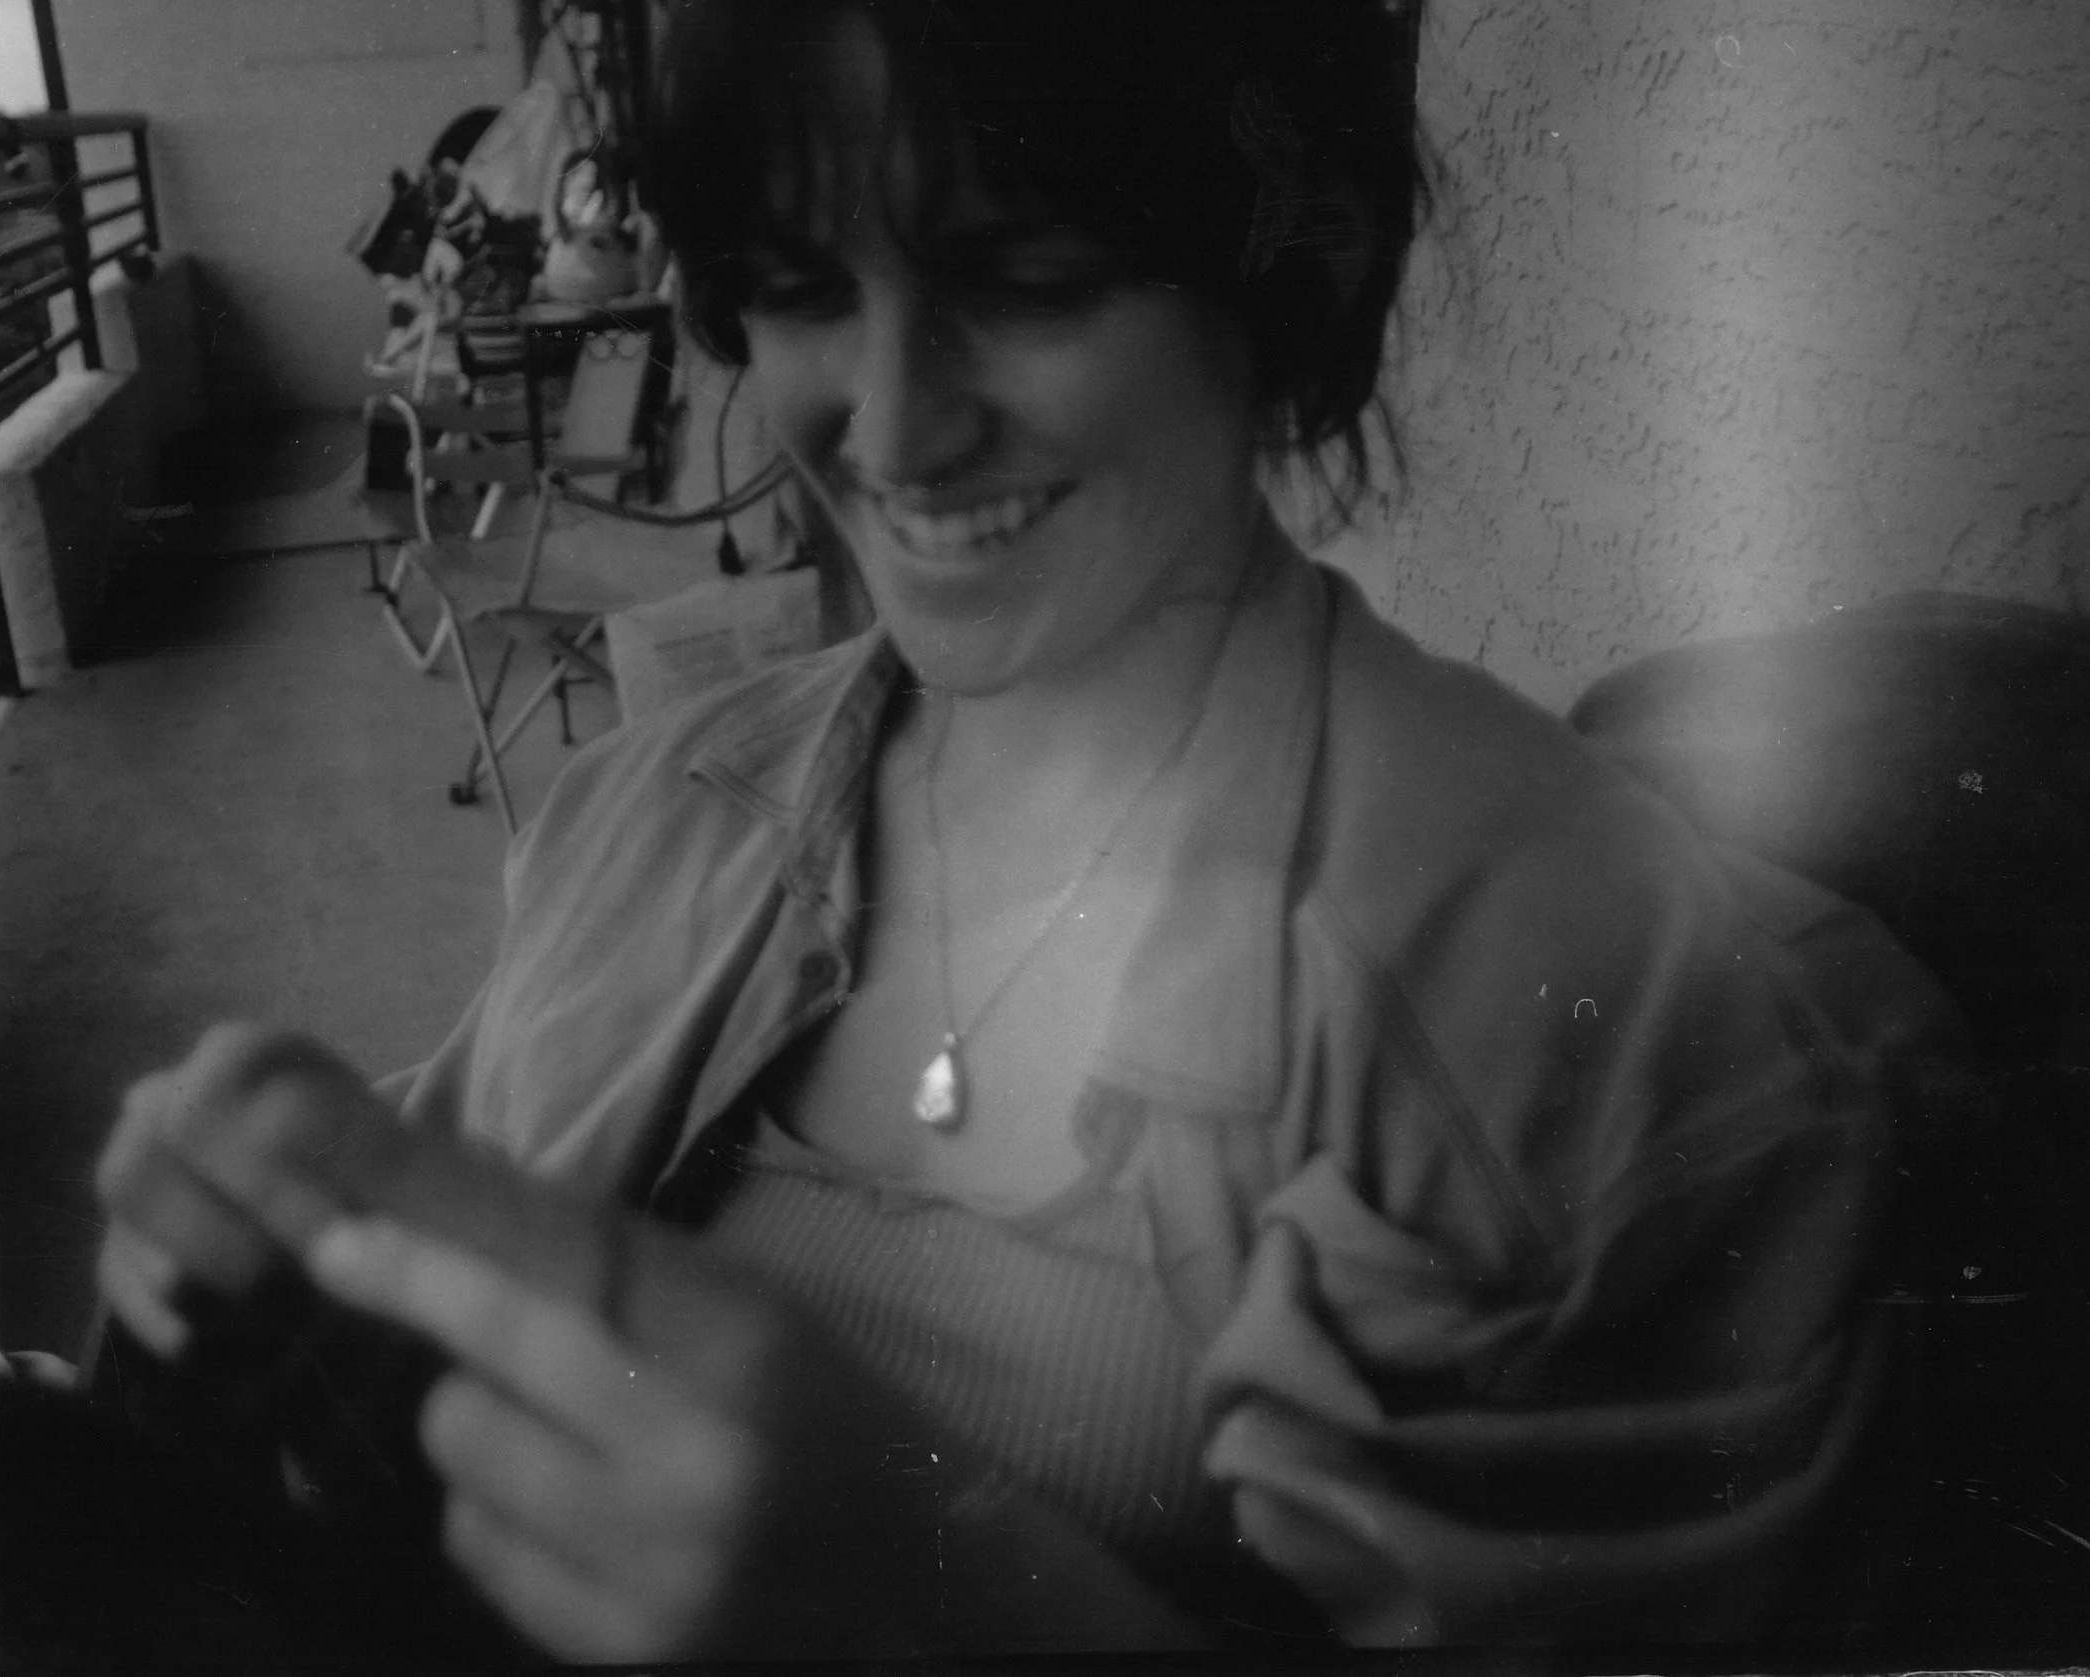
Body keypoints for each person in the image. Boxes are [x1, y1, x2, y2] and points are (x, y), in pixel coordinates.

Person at [100, 0, 1961, 1664]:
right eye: (804, 284)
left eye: (1030, 275)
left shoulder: (1601, 1033)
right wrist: (293, 1255)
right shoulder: (651, 810)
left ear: (1279, 269)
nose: (894, 432)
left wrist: (950, 1591)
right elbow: (433, 1301)